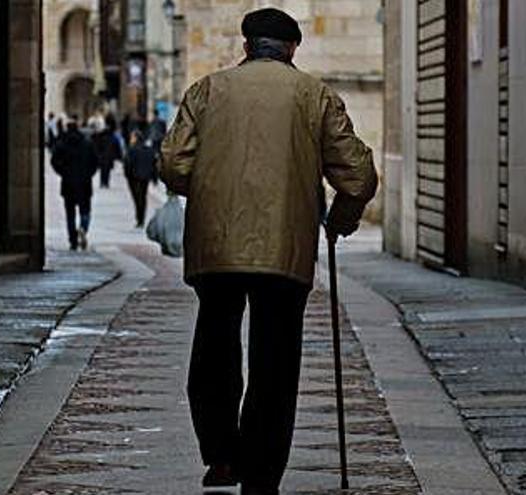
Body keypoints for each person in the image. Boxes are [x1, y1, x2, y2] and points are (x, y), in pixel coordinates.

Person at [159, 7, 377, 495]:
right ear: (292, 49)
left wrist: (211, 186)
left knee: (214, 346)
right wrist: (340, 221)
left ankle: (220, 454)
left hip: (215, 245)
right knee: (275, 362)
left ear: (246, 47)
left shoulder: (207, 90)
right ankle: (260, 476)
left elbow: (173, 164)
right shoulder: (315, 95)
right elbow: (358, 176)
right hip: (285, 249)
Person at [51, 120, 99, 251]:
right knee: (85, 211)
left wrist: (63, 172)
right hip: (84, 183)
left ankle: (73, 240)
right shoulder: (87, 144)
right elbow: (95, 161)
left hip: (68, 184)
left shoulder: (62, 144)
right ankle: (83, 228)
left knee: (70, 214)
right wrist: (88, 173)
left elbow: (54, 161)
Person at [124, 130, 158, 228]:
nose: (131, 139)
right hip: (145, 177)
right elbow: (154, 164)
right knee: (142, 198)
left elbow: (128, 164)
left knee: (137, 198)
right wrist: (154, 178)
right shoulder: (149, 150)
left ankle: (139, 219)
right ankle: (141, 219)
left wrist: (127, 175)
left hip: (134, 178)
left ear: (136, 138)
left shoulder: (132, 150)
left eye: (132, 137)